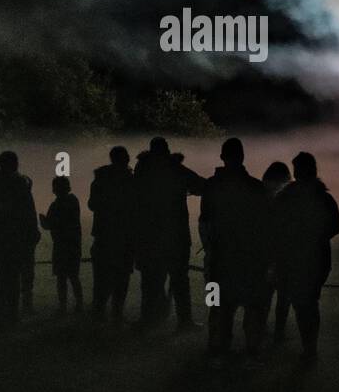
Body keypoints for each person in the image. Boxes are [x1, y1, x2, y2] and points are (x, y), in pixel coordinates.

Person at [200, 138, 270, 359]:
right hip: (249, 258)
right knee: (252, 307)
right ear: (242, 157)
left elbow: (205, 224)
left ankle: (217, 348)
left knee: (218, 307)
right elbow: (264, 227)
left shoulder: (211, 187)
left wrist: (209, 251)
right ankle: (252, 349)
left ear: (222, 157)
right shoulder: (257, 188)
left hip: (219, 257)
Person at [274, 152, 339, 362]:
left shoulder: (286, 196)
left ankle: (308, 346)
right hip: (318, 257)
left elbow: (275, 226)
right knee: (311, 302)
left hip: (294, 258)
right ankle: (310, 346)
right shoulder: (324, 197)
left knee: (302, 304)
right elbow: (335, 226)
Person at [133, 138, 205, 332]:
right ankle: (184, 321)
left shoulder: (142, 171)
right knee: (179, 280)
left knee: (150, 280)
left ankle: (148, 319)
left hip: (149, 234)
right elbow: (200, 185)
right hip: (176, 234)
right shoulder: (176, 170)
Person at [0, 150, 39, 327]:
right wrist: (32, 232)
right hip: (13, 237)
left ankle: (2, 313)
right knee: (12, 278)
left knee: (0, 276)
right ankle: (11, 313)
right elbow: (28, 211)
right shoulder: (20, 185)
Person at [88, 146, 134, 322]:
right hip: (123, 236)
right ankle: (116, 311)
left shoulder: (100, 180)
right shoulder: (129, 180)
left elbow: (92, 204)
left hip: (104, 234)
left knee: (101, 278)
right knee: (121, 278)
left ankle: (99, 311)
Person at [260, 161, 293, 343]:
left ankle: (261, 326)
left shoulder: (260, 196)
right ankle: (279, 331)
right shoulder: (288, 200)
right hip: (283, 254)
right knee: (283, 296)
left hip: (265, 253)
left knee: (265, 295)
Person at [42, 176, 83, 315]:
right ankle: (79, 304)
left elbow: (49, 224)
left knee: (62, 277)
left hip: (61, 244)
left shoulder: (56, 205)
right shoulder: (73, 201)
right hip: (73, 244)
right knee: (73, 276)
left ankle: (63, 306)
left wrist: (43, 220)